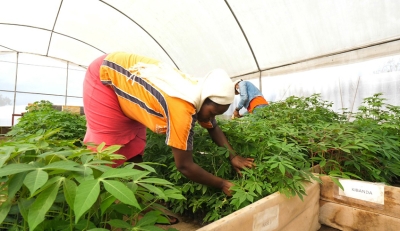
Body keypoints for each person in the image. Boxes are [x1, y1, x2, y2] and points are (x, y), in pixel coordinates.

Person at [83, 52, 255, 197]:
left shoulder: (200, 92)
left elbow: (213, 126)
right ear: (205, 100)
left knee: (134, 146)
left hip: (126, 80)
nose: (212, 118)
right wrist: (223, 184)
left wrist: (233, 156)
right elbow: (184, 166)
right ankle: (101, 208)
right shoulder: (182, 108)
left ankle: (138, 203)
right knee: (106, 148)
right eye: (213, 112)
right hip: (104, 77)